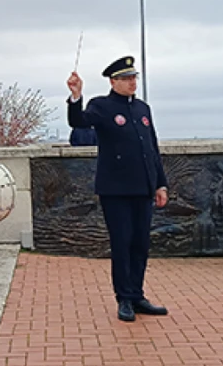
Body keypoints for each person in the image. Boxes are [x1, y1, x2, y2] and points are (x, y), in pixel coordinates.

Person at [66, 55, 170, 322]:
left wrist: (160, 184)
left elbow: (152, 149)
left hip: (143, 188)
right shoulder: (101, 106)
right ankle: (123, 297)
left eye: (134, 77)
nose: (132, 82)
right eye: (126, 79)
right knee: (122, 243)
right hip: (116, 190)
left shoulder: (143, 109)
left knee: (140, 244)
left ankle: (137, 295)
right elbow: (79, 122)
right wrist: (76, 96)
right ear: (113, 82)